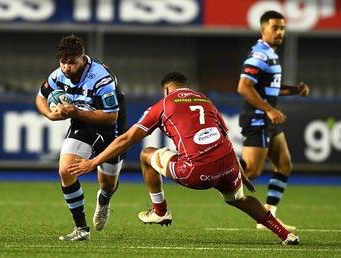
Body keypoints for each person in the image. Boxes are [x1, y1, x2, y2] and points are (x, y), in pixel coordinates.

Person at [68, 71, 300, 245]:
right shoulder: (205, 99)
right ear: (185, 86)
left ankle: (160, 212)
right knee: (239, 199)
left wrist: (94, 162)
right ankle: (285, 234)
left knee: (146, 154)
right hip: (228, 165)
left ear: (166, 89)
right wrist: (239, 171)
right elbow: (226, 139)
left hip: (196, 171)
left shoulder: (164, 104)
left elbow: (126, 139)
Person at [35, 34, 127, 241]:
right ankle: (81, 230)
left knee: (108, 184)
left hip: (109, 129)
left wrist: (74, 112)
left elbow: (110, 117)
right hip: (82, 124)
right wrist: (50, 114)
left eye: (71, 63)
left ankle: (104, 202)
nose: (66, 68)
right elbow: (41, 97)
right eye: (63, 62)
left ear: (82, 58)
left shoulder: (101, 78)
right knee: (65, 170)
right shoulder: (58, 75)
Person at [237, 10, 309, 231]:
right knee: (251, 172)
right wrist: (269, 109)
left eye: (282, 28)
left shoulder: (271, 54)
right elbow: (243, 87)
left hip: (268, 119)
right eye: (275, 28)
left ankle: (270, 215)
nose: (279, 32)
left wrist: (294, 90)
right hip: (258, 118)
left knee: (284, 165)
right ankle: (210, 174)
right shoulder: (259, 55)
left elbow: (271, 88)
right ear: (263, 30)